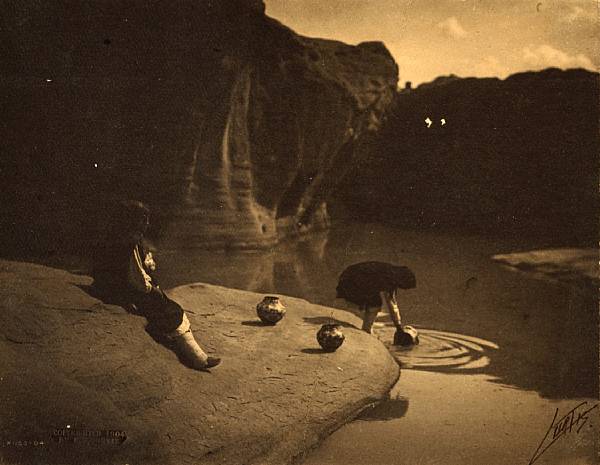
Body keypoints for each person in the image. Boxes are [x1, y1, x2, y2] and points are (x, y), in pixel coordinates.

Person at [92, 200, 221, 371]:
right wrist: (153, 290)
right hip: (123, 292)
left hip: (112, 288)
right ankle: (198, 359)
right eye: (143, 219)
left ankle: (197, 355)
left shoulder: (120, 237)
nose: (146, 224)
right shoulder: (129, 243)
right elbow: (136, 280)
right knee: (171, 310)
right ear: (133, 220)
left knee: (166, 306)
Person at [336, 261, 416, 336]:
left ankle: (367, 328)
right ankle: (366, 330)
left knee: (373, 300)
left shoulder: (390, 272)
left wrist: (398, 326)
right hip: (350, 280)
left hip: (349, 276)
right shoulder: (389, 278)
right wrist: (398, 326)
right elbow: (391, 303)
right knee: (375, 303)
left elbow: (391, 302)